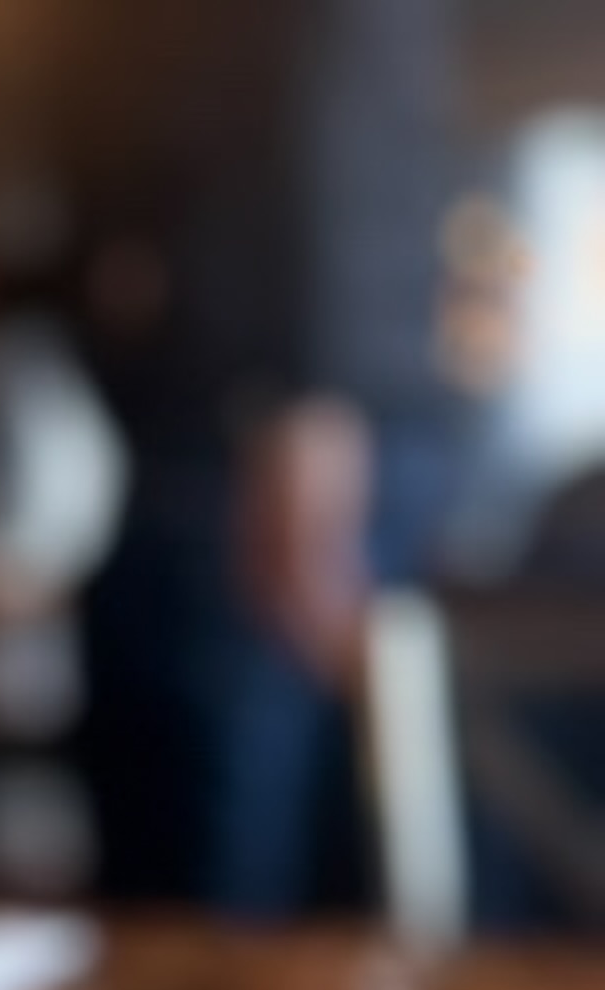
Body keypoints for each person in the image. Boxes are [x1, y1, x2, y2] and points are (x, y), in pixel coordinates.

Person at [56, 0, 468, 916]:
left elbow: (335, 98)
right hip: (259, 410)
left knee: (210, 878)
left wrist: (307, 393)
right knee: (230, 848)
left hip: (265, 427)